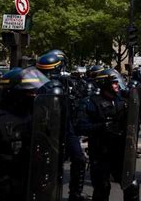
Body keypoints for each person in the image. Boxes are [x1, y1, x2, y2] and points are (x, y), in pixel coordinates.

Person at [77, 69, 140, 200]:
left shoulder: (122, 101)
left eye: (117, 82)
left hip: (119, 151)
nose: (117, 85)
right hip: (101, 151)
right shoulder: (91, 102)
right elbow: (81, 126)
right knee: (102, 187)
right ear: (105, 84)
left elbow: (133, 122)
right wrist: (101, 127)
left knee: (131, 185)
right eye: (114, 83)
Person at [36, 51, 91, 201]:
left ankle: (75, 194)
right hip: (48, 128)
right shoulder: (41, 85)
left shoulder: (66, 82)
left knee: (78, 158)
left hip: (67, 126)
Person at [0, 67, 50, 201]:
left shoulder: (35, 115)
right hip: (6, 184)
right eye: (29, 92)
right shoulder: (1, 120)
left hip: (31, 180)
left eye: (34, 91)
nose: (34, 95)